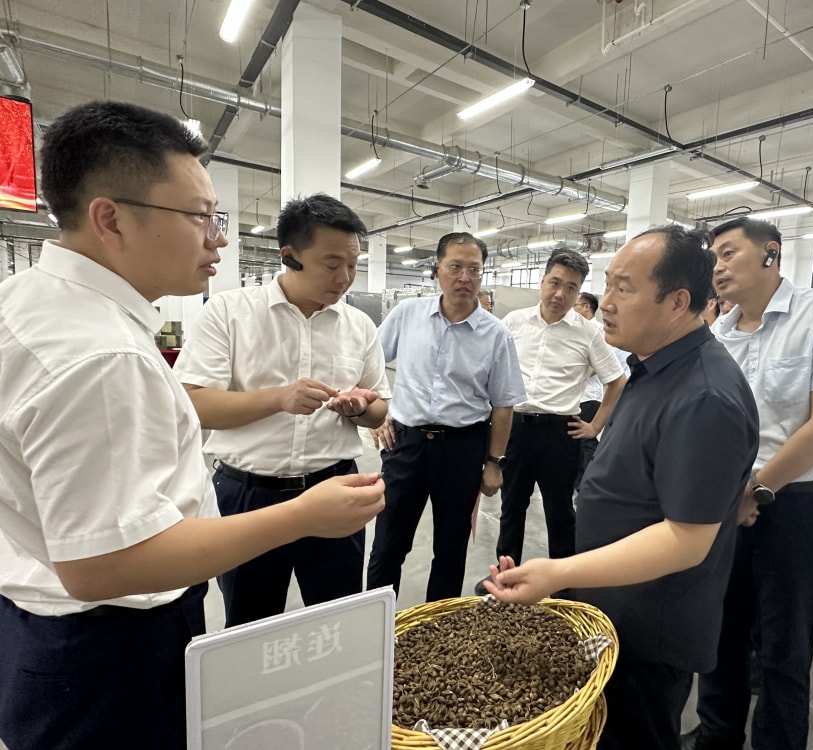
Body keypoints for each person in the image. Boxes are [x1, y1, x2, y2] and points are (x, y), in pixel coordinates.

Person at [0, 101, 384, 750]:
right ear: (110, 218)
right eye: (200, 217)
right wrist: (300, 515)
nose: (219, 239)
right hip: (106, 641)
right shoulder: (100, 354)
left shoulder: (36, 303)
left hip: (58, 626)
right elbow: (102, 564)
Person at [483, 226, 759, 750]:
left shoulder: (703, 396)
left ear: (677, 302)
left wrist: (560, 571)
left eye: (623, 289)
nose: (603, 303)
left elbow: (686, 539)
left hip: (651, 627)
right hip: (617, 608)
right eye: (607, 284)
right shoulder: (654, 368)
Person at [684, 217, 813, 750]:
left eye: (728, 252)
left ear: (771, 252)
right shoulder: (717, 336)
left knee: (784, 646)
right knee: (722, 630)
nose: (717, 267)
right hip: (728, 503)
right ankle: (716, 735)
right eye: (712, 258)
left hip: (798, 503)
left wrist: (758, 489)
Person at [174, 193, 390, 627]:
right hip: (248, 496)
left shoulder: (359, 326)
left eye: (352, 265)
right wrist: (279, 398)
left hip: (335, 487)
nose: (345, 278)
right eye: (332, 264)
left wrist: (359, 409)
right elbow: (192, 404)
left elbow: (379, 409)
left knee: (338, 620)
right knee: (250, 622)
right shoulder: (230, 313)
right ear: (290, 256)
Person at [366, 232, 525, 601]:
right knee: (388, 544)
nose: (464, 277)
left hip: (462, 449)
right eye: (455, 267)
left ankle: (438, 626)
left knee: (451, 549)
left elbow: (504, 405)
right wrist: (377, 414)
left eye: (474, 269)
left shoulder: (496, 334)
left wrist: (494, 463)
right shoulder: (407, 315)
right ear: (437, 269)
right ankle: (376, 624)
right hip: (405, 445)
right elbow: (369, 364)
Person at [476, 249, 626, 595]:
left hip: (560, 434)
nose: (560, 294)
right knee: (511, 508)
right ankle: (505, 579)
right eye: (555, 283)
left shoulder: (588, 333)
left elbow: (616, 380)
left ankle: (564, 587)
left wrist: (595, 426)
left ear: (579, 292)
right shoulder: (514, 322)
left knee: (559, 512)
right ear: (543, 281)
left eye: (571, 288)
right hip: (515, 430)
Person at [573, 292, 629, 490]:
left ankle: (586, 485)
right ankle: (579, 483)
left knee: (587, 442)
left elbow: (603, 368)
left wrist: (572, 374)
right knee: (577, 444)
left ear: (586, 307)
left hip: (590, 398)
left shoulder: (597, 331)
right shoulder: (576, 330)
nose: (573, 309)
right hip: (577, 398)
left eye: (576, 305)